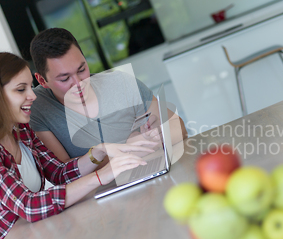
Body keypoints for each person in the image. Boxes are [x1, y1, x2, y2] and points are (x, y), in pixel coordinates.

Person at [0, 52, 156, 239]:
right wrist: (102, 176)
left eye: (30, 87)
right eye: (21, 90)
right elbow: (29, 206)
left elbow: (59, 173)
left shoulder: (21, 131)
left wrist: (100, 151)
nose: (32, 95)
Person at [28, 28, 187, 163]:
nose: (78, 83)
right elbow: (65, 171)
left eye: (82, 69)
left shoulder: (120, 83)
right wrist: (133, 149)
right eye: (64, 78)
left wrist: (156, 137)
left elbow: (178, 128)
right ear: (42, 80)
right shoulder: (36, 105)